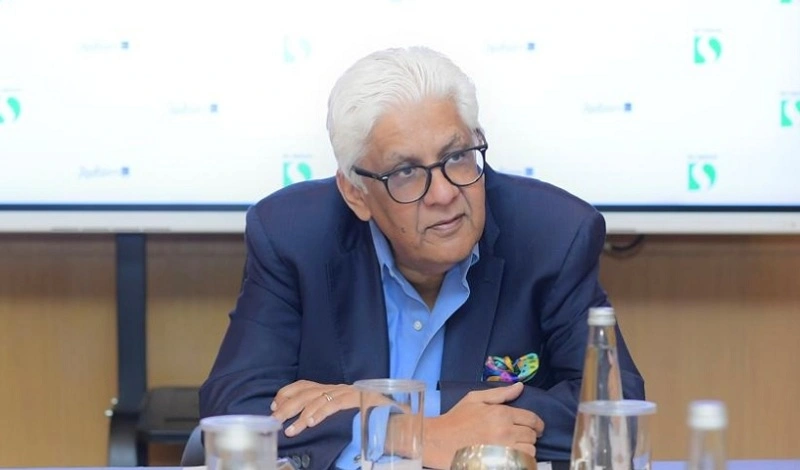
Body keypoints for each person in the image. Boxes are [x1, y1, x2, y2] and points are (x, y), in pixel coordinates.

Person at [199, 46, 645, 470]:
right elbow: (236, 410)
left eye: (458, 156)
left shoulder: (552, 235)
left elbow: (613, 413)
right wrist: (408, 431)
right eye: (407, 172)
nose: (445, 193)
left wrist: (391, 405)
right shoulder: (295, 236)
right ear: (356, 194)